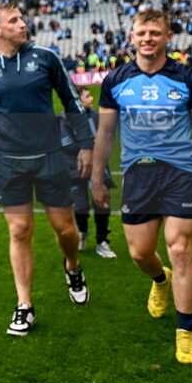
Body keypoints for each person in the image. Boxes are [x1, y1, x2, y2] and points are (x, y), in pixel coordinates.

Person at [91, 9, 192, 364]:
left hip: (180, 174)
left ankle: (186, 331)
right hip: (138, 176)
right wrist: (96, 180)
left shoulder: (188, 78)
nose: (148, 38)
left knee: (180, 249)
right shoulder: (115, 81)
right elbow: (106, 133)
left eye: (155, 33)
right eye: (142, 32)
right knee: (141, 254)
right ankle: (160, 280)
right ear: (132, 37)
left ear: (167, 37)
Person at [0, 2, 94, 336]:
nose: (23, 24)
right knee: (19, 230)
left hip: (50, 158)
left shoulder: (45, 57)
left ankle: (73, 266)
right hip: (9, 162)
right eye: (14, 20)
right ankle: (24, 304)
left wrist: (86, 143)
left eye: (21, 18)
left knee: (65, 229)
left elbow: (72, 100)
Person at [58, 86, 117, 258]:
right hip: (75, 169)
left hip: (98, 168)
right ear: (77, 100)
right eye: (87, 95)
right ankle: (82, 232)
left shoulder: (96, 116)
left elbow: (107, 137)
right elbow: (67, 144)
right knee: (81, 206)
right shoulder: (63, 119)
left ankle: (102, 241)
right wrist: (91, 146)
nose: (91, 98)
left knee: (102, 203)